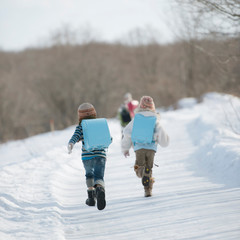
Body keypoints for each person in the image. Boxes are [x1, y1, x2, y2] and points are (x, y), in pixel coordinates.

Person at [121, 96, 169, 197]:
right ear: (152, 107)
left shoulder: (136, 119)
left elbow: (127, 132)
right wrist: (164, 142)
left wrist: (125, 148)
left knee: (138, 169)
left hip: (139, 148)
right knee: (149, 169)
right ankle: (148, 191)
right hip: (151, 148)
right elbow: (161, 133)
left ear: (140, 106)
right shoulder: (155, 120)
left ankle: (143, 172)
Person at [68, 103, 109, 210]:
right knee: (99, 176)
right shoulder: (99, 124)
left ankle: (91, 198)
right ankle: (99, 189)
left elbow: (75, 136)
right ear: (94, 113)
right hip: (100, 155)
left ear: (80, 116)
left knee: (89, 175)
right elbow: (109, 138)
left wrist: (71, 144)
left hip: (87, 157)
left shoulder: (81, 126)